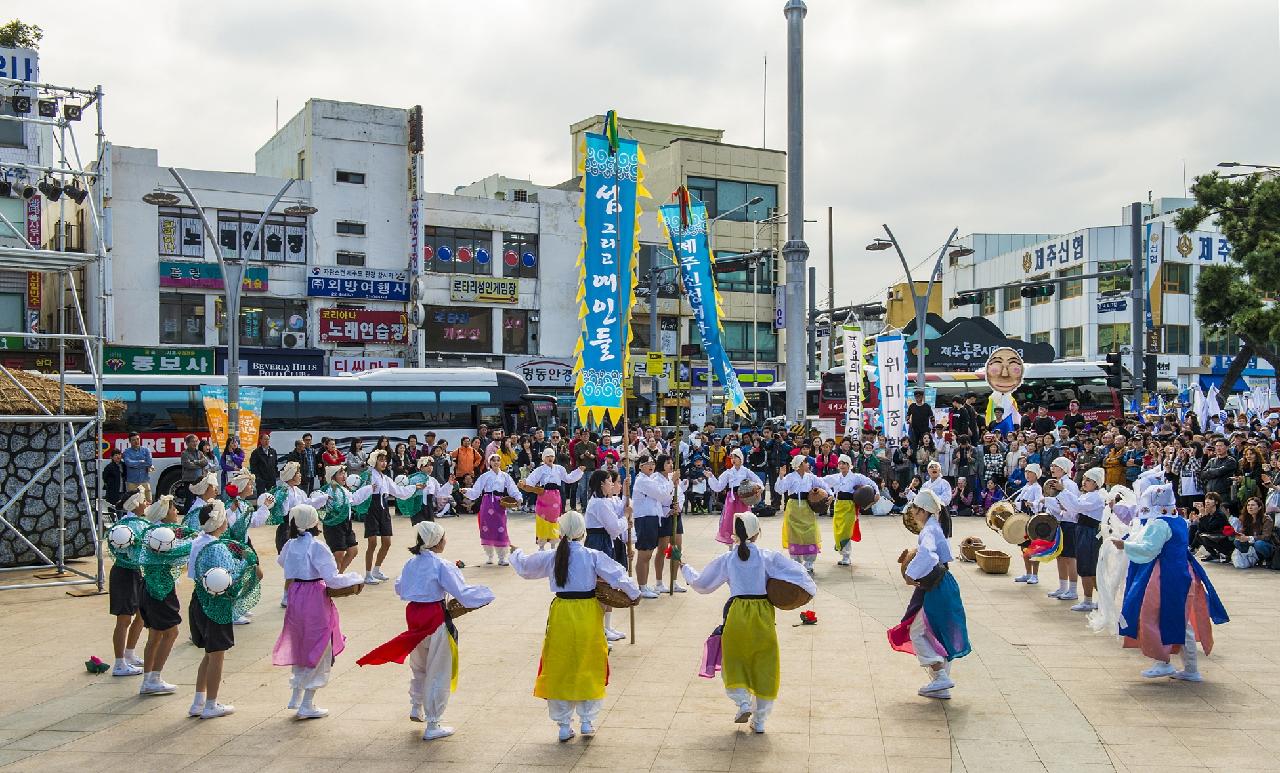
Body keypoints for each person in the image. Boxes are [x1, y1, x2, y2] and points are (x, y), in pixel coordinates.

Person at [356, 520, 495, 740]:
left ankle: (416, 706)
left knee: (419, 664)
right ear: (437, 541)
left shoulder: (411, 563)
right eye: (443, 537)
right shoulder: (441, 564)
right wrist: (487, 594)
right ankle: (433, 723)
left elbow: (400, 588)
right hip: (434, 616)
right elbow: (462, 593)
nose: (445, 541)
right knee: (438, 668)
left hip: (414, 616)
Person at [509, 511, 640, 742]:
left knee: (561, 665)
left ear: (561, 531)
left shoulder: (552, 556)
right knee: (589, 662)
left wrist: (516, 553)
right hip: (588, 612)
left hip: (562, 612)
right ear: (582, 532)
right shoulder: (591, 555)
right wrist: (634, 594)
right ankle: (587, 721)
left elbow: (525, 567)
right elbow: (618, 575)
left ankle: (563, 724)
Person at [682, 512, 816, 733]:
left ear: (735, 534)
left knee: (734, 661)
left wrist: (684, 567)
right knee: (765, 664)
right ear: (757, 533)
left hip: (737, 615)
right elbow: (800, 574)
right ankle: (760, 721)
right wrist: (808, 592)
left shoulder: (727, 559)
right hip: (762, 615)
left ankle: (743, 702)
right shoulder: (767, 557)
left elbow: (702, 584)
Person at [1116, 481, 1229, 682]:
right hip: (1182, 572)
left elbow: (1149, 548)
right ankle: (1189, 668)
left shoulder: (1160, 524)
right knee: (1179, 619)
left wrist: (1125, 545)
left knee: (1154, 615)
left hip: (1164, 575)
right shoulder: (1178, 520)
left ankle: (1163, 661)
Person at [273, 504, 364, 720]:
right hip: (315, 595)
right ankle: (307, 703)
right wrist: (355, 578)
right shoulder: (317, 546)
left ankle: (296, 694)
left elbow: (281, 562)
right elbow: (332, 578)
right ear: (314, 522)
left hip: (296, 594)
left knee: (300, 642)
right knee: (320, 646)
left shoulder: (290, 545)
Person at [887, 489, 970, 699]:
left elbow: (928, 555)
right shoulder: (934, 526)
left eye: (914, 508)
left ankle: (940, 677)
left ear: (923, 510)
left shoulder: (929, 531)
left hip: (937, 585)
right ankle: (941, 686)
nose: (913, 512)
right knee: (941, 631)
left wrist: (910, 575)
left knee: (918, 631)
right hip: (943, 583)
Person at [188, 501, 262, 719]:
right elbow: (231, 577)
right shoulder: (218, 547)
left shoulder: (198, 541)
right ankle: (211, 704)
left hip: (198, 599)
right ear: (220, 522)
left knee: (210, 653)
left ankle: (198, 701)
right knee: (217, 655)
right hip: (215, 604)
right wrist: (249, 564)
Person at [136, 495, 186, 697]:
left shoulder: (152, 531)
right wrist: (201, 541)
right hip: (160, 591)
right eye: (174, 510)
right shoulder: (161, 534)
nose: (176, 513)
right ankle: (154, 678)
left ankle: (149, 679)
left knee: (155, 635)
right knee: (171, 633)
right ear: (165, 513)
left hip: (150, 588)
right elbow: (178, 552)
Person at [362, 449, 424, 584]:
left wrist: (415, 487)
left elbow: (399, 492)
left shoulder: (386, 478)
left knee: (387, 542)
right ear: (374, 461)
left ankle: (376, 570)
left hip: (384, 510)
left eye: (385, 460)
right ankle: (367, 574)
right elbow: (360, 491)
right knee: (372, 543)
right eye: (381, 460)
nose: (384, 463)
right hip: (371, 510)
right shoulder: (368, 475)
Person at [106, 491, 149, 677]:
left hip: (136, 571)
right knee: (124, 619)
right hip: (125, 573)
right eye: (143, 500)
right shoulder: (127, 525)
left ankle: (129, 653)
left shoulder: (139, 523)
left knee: (141, 615)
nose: (147, 502)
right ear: (135, 504)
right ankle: (119, 663)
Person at [583, 469, 630, 643]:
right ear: (602, 484)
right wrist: (625, 519)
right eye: (610, 481)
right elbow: (614, 527)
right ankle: (599, 629)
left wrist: (625, 493)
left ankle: (607, 627)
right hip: (599, 543)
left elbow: (620, 508)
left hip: (604, 542)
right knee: (601, 587)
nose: (611, 484)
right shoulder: (598, 504)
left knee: (608, 585)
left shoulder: (604, 501)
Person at [775, 455, 832, 574]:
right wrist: (781, 476)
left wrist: (830, 494)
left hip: (807, 507)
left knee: (810, 533)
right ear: (800, 464)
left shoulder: (810, 477)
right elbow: (780, 489)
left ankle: (809, 562)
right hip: (793, 508)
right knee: (794, 534)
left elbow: (823, 484)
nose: (808, 464)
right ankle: (796, 562)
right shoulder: (790, 477)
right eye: (806, 462)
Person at [520, 448, 586, 550]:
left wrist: (578, 471)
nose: (550, 458)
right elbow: (531, 480)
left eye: (552, 456)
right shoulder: (540, 469)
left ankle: (553, 544)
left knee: (555, 520)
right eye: (547, 456)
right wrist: (524, 482)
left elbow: (568, 479)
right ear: (544, 458)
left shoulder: (560, 469)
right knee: (542, 520)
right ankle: (541, 545)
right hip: (543, 496)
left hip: (555, 497)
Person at [462, 453, 522, 565]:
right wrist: (467, 491)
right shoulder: (485, 476)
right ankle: (489, 556)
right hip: (487, 502)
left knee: (501, 528)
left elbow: (512, 488)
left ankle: (502, 557)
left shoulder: (505, 476)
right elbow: (476, 491)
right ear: (489, 462)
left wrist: (518, 497)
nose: (496, 462)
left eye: (498, 460)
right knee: (487, 528)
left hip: (500, 504)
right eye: (493, 460)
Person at [821, 455, 876, 566]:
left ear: (849, 465)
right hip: (838, 506)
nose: (842, 466)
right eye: (840, 463)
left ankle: (846, 556)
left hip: (850, 506)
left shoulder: (856, 477)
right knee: (838, 530)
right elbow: (821, 481)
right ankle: (842, 552)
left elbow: (871, 483)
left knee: (846, 531)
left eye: (844, 463)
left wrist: (877, 493)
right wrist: (830, 494)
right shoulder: (835, 477)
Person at [704, 448, 764, 546]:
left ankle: (744, 541)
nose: (733, 459)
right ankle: (731, 545)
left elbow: (758, 480)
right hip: (731, 499)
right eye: (732, 457)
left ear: (741, 458)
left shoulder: (746, 471)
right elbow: (718, 486)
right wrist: (711, 477)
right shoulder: (728, 472)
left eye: (736, 457)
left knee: (744, 520)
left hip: (743, 499)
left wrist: (759, 488)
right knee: (730, 520)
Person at [319, 465, 373, 572]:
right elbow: (339, 504)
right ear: (332, 477)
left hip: (346, 523)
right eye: (340, 474)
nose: (344, 476)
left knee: (353, 550)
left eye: (344, 473)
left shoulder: (343, 489)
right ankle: (334, 578)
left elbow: (354, 499)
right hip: (334, 525)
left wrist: (369, 488)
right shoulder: (332, 489)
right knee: (338, 553)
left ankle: (338, 574)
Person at [1068, 468, 1107, 613]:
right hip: (1082, 530)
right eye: (1084, 479)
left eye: (1088, 480)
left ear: (1097, 483)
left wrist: (1063, 492)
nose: (1084, 482)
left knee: (1088, 567)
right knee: (1086, 565)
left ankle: (1089, 600)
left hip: (1090, 533)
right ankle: (1095, 600)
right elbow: (1074, 510)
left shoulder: (1096, 497)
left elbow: (1077, 506)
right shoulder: (1087, 495)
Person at [1045, 457, 1082, 601]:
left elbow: (1071, 504)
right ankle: (1062, 587)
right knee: (1060, 556)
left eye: (1056, 466)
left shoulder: (1069, 484)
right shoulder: (1059, 483)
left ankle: (1073, 590)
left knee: (1070, 557)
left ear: (1064, 469)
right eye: (1052, 466)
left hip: (1070, 523)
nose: (1053, 469)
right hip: (1060, 522)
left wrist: (1048, 501)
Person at [1011, 463, 1044, 585]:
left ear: (1036, 475)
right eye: (1026, 472)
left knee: (1033, 548)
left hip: (1031, 519)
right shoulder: (1025, 486)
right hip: (1022, 518)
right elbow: (1019, 500)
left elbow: (1039, 502)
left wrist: (1031, 504)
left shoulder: (1037, 487)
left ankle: (1035, 574)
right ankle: (1028, 573)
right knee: (1024, 548)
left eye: (1030, 472)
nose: (1028, 474)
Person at [1233, 496, 1275, 567]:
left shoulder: (1267, 519)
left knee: (1258, 544)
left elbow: (1266, 537)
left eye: (1253, 505)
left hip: (1266, 545)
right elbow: (1243, 533)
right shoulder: (1245, 519)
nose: (1250, 507)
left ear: (1259, 507)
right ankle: (1249, 559)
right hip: (1251, 544)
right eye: (1248, 505)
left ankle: (1268, 559)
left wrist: (1249, 538)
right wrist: (1240, 536)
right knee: (1237, 541)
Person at [121, 432, 154, 500]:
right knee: (132, 505)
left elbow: (149, 463)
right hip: (132, 483)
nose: (136, 441)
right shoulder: (126, 452)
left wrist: (134, 464)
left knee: (148, 503)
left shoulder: (146, 450)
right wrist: (141, 462)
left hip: (144, 481)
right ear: (130, 441)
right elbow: (128, 463)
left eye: (138, 439)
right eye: (134, 440)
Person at [179, 434, 204, 513]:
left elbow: (205, 462)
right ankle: (187, 517)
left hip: (199, 480)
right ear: (187, 443)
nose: (195, 443)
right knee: (189, 500)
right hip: (189, 481)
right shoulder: (184, 453)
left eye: (196, 441)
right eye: (193, 441)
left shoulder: (200, 453)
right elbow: (188, 465)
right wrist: (200, 465)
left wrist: (195, 462)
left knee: (198, 500)